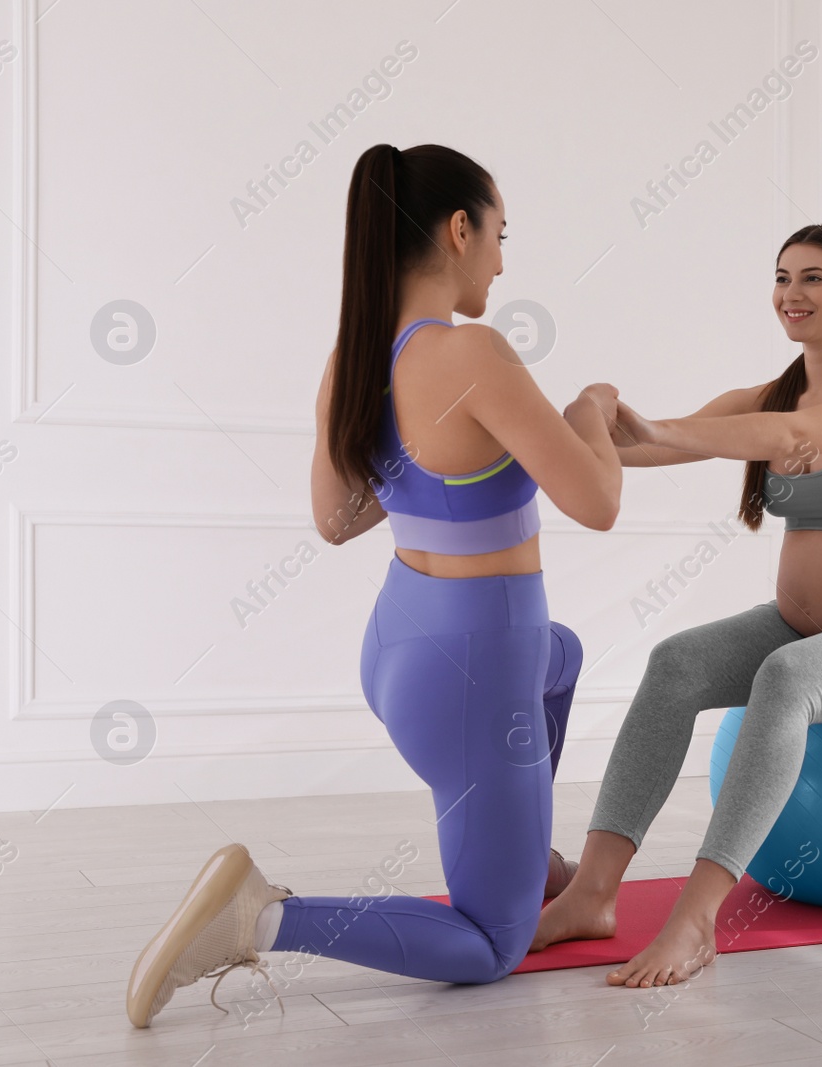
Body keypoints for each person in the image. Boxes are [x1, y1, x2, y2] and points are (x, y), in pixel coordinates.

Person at [125, 143, 624, 1028]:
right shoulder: (473, 353)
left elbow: (336, 518)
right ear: (459, 229)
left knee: (565, 655)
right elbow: (597, 500)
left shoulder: (353, 358)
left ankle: (528, 852)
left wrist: (431, 475)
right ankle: (263, 914)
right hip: (477, 667)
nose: (504, 260)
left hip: (402, 646)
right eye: (501, 235)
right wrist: (589, 412)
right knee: (490, 944)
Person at [531, 223, 822, 989]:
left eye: (813, 278)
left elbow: (802, 432)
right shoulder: (769, 398)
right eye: (781, 278)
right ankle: (593, 891)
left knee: (784, 679)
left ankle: (698, 917)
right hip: (805, 623)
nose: (791, 294)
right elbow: (646, 450)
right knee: (676, 662)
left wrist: (663, 426)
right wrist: (581, 415)